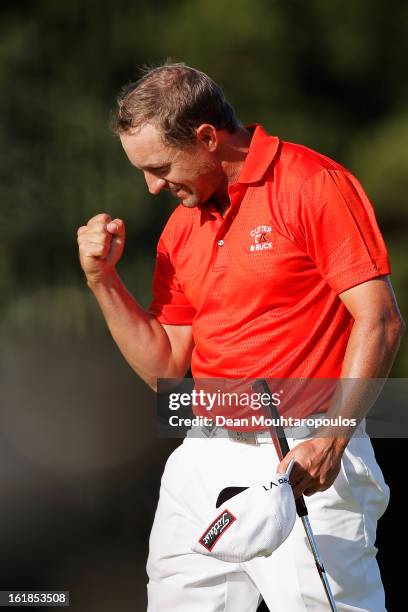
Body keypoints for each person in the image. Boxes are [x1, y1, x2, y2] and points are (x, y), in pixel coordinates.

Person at [77, 63, 405, 611]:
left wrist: (332, 438)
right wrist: (102, 281)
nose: (152, 185)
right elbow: (166, 367)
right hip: (202, 457)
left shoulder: (310, 182)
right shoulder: (181, 228)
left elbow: (381, 319)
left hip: (302, 456)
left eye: (158, 166)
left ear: (207, 137)